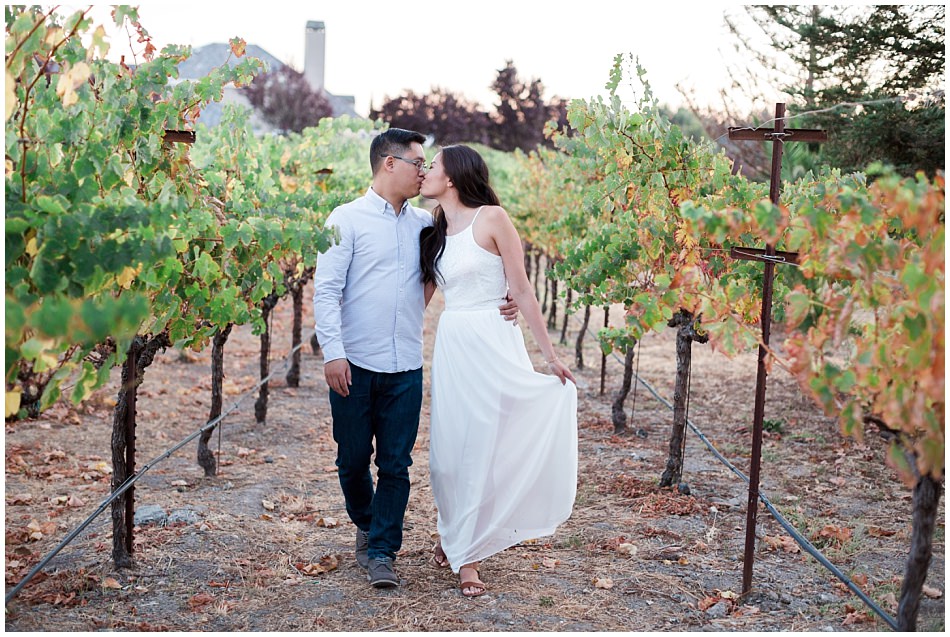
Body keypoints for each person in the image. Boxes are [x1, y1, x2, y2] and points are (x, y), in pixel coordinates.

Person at [312, 129, 518, 589]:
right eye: (417, 163)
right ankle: (367, 524)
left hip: (405, 364)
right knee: (350, 460)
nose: (424, 171)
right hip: (354, 362)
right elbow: (325, 291)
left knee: (396, 463)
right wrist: (334, 353)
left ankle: (383, 550)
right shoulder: (344, 220)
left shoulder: (428, 225)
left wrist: (507, 294)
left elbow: (468, 264)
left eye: (429, 165)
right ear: (390, 163)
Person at [419, 144, 578, 598]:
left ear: (451, 178)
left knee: (486, 445)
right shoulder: (434, 231)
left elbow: (522, 290)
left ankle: (468, 555)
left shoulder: (492, 218)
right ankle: (453, 532)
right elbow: (420, 301)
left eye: (433, 166)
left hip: (494, 339)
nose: (426, 171)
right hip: (454, 345)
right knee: (450, 451)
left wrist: (549, 356)